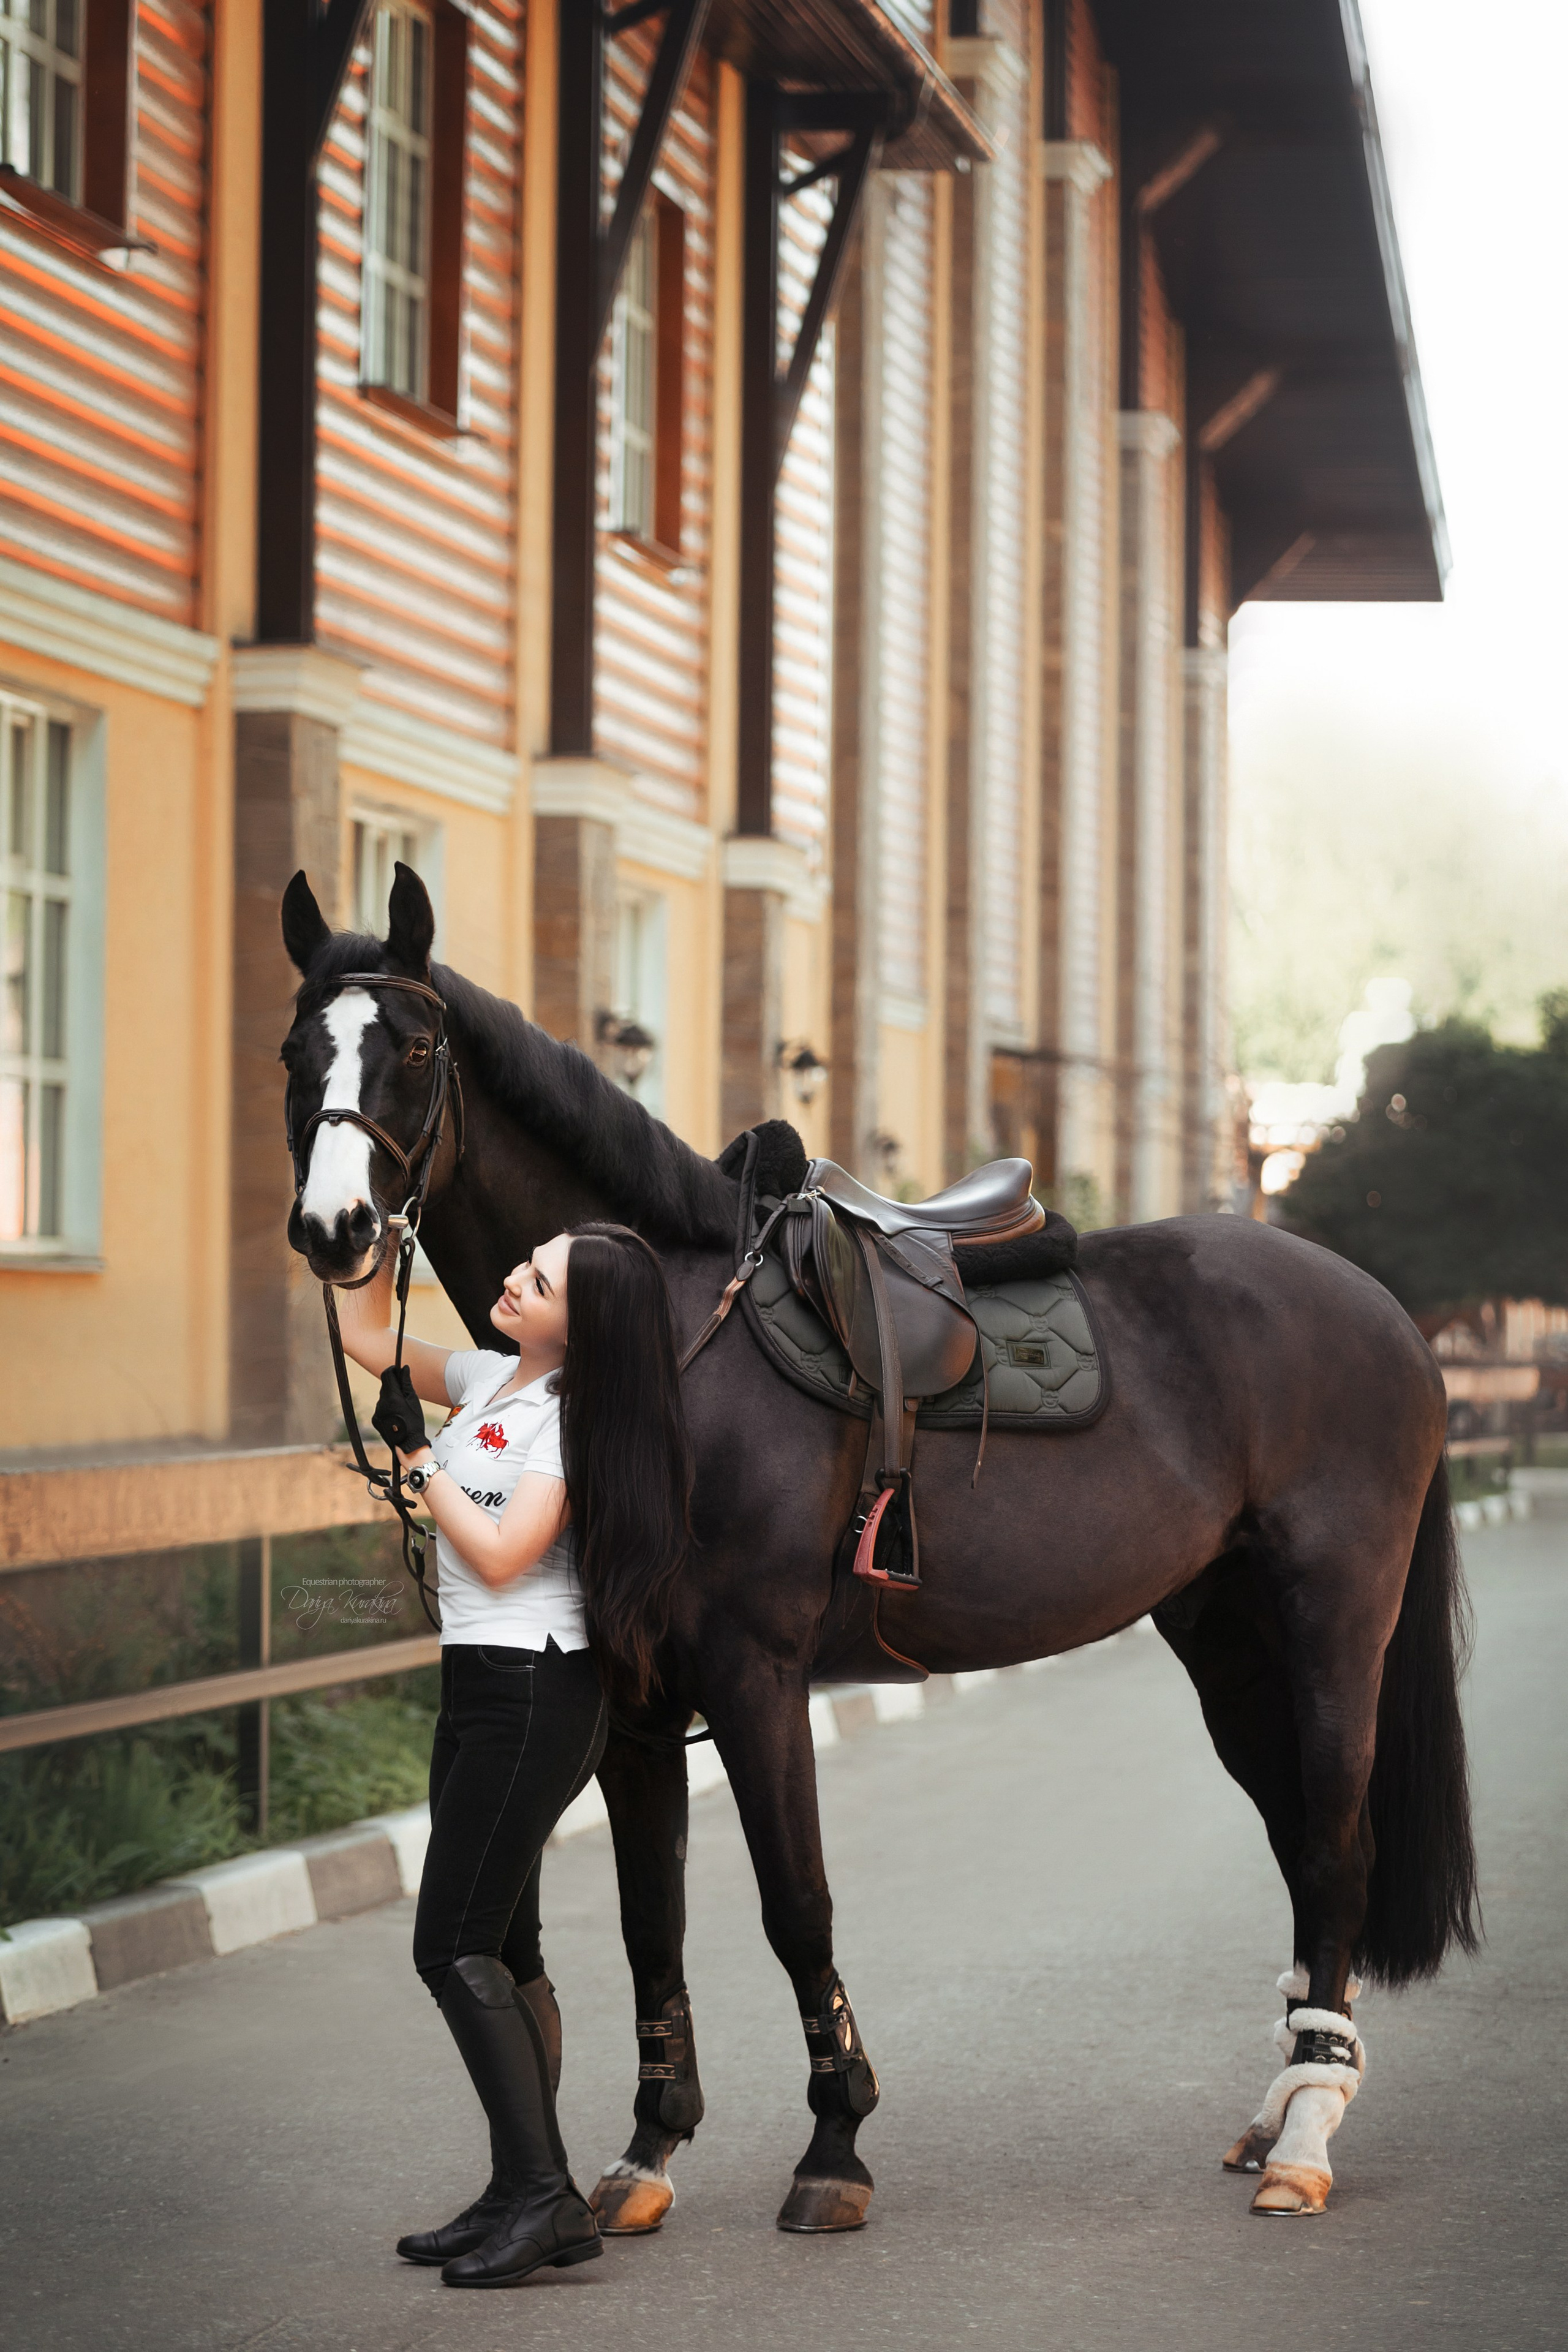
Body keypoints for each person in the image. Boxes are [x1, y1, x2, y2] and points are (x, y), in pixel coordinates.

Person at [334, 1220, 693, 2290]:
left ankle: (545, 2201)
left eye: (540, 1281)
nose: (512, 1280)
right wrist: (372, 1245)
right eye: (528, 1265)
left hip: (537, 1688)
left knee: (451, 1948)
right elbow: (365, 1335)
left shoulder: (577, 1417)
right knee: (504, 1946)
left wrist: (417, 1461)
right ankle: (517, 2190)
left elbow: (500, 1556)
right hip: (479, 1687)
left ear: (587, 1327)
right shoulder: (490, 1377)